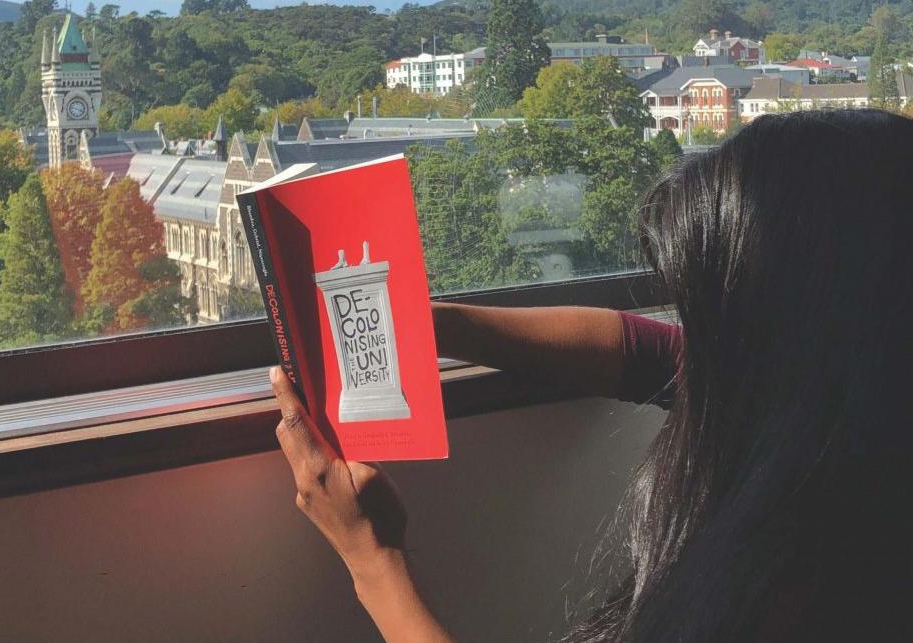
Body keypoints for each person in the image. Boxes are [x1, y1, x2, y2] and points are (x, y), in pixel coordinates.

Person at [267, 109, 913, 642]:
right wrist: (428, 321)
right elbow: (654, 353)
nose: (697, 344)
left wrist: (373, 563)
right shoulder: (864, 433)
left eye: (713, 317)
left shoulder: (802, 595)